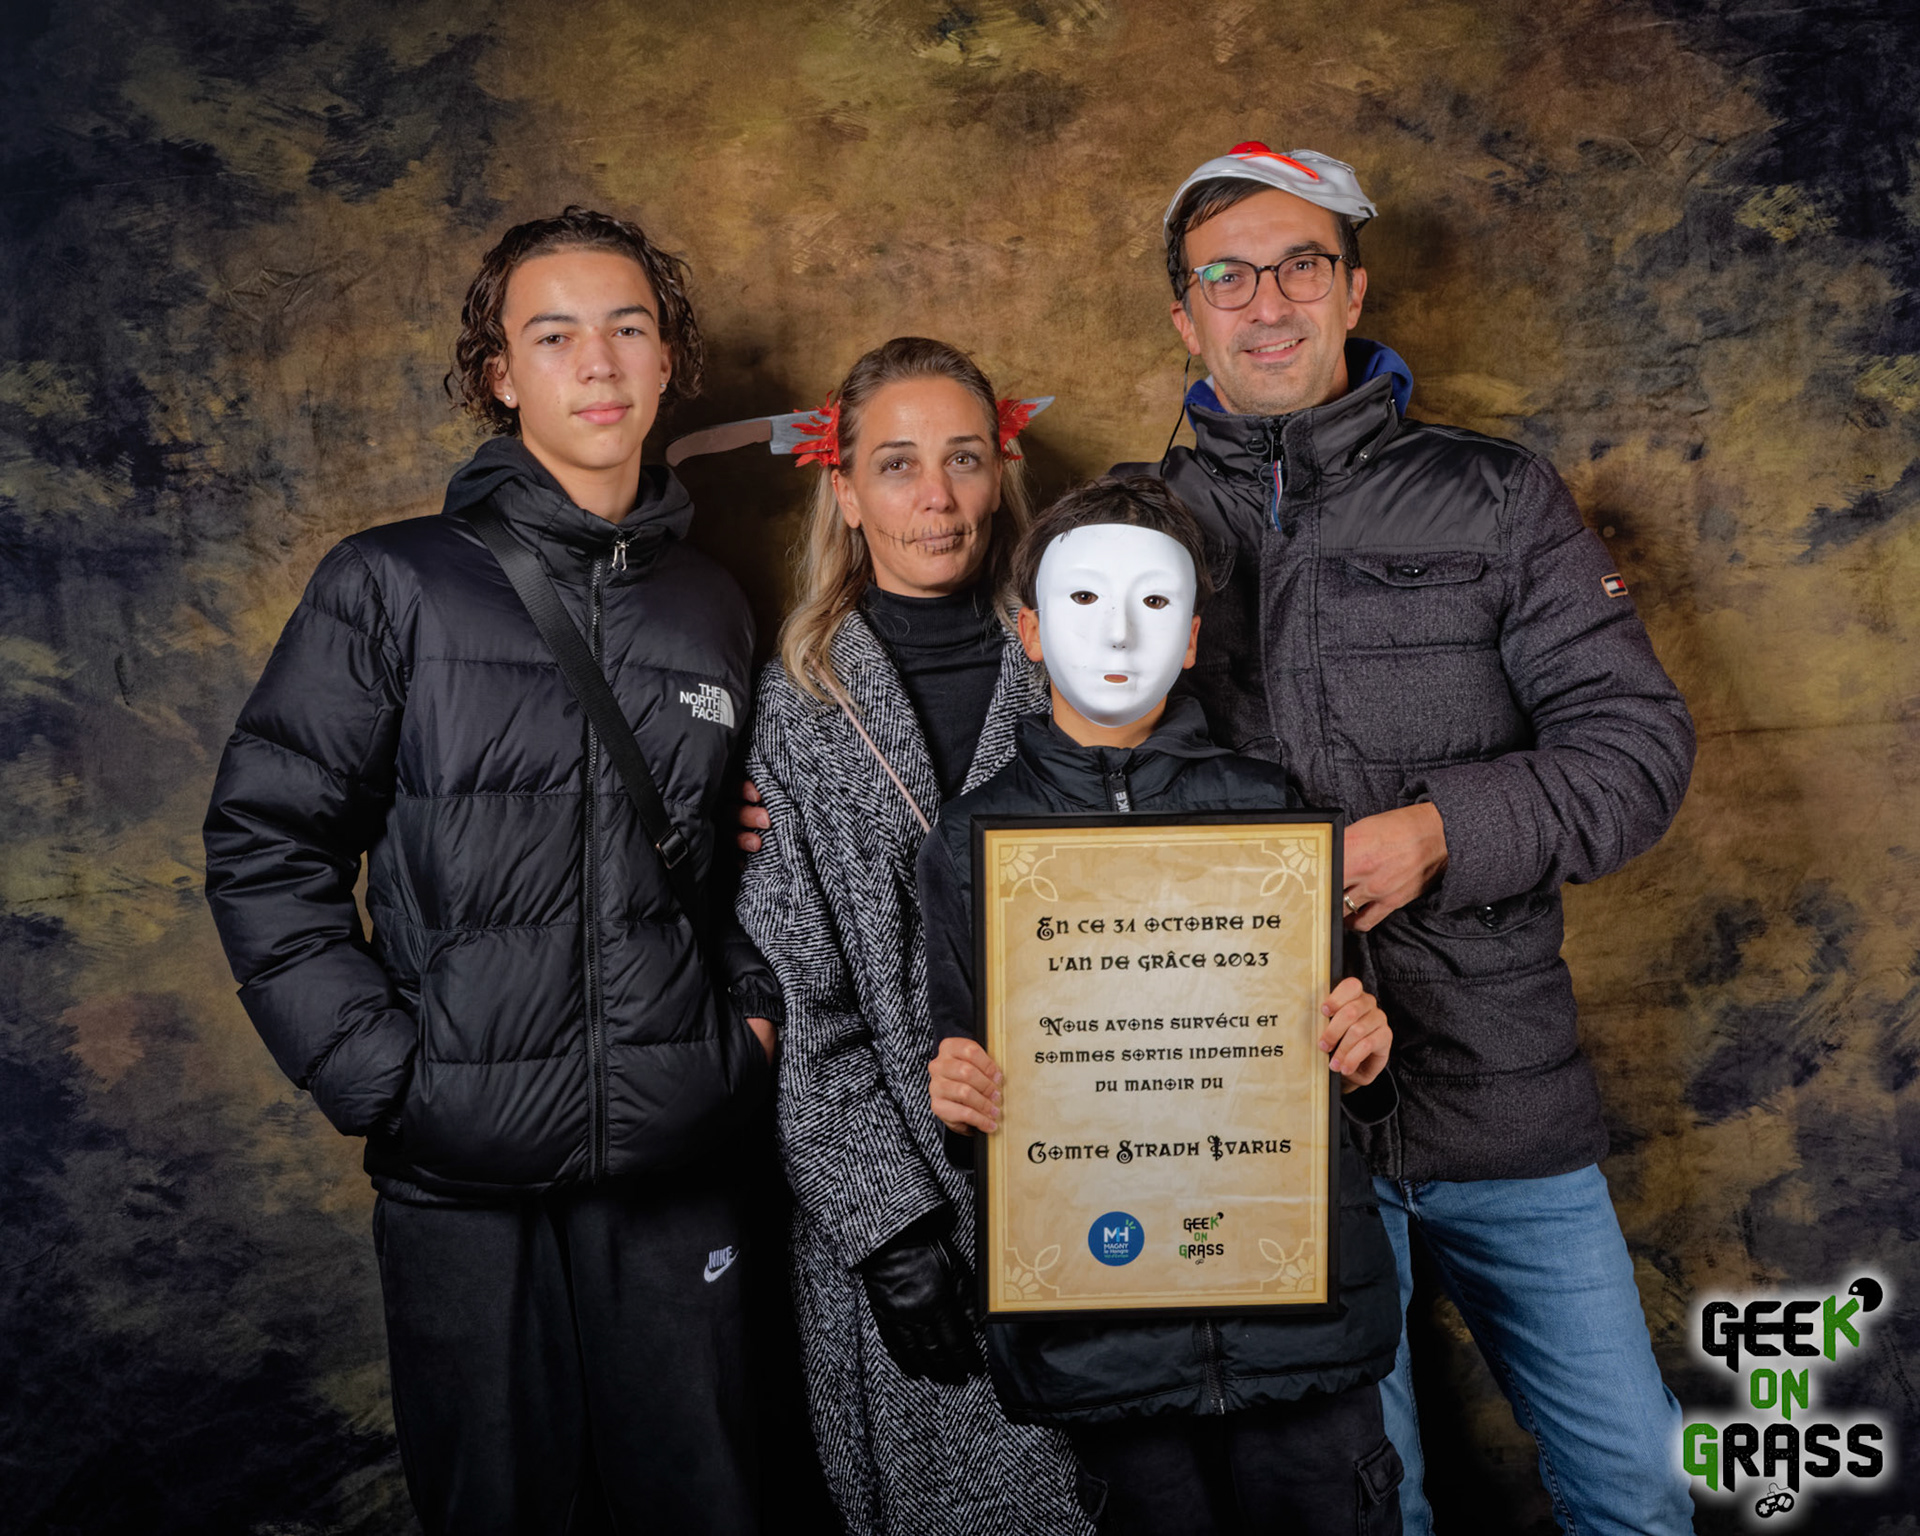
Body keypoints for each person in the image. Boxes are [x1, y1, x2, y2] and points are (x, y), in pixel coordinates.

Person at [1130, 143, 1699, 1534]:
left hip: (1505, 1092)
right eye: (1228, 277)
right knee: (1363, 1510)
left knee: (1636, 1486)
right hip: (1273, 1124)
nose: (1268, 302)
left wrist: (1439, 833)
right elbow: (1060, 789)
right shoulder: (1134, 529)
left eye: (1300, 266)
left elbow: (1635, 750)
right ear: (1186, 317)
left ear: (1353, 288)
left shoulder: (1497, 496)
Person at [202, 207, 781, 1535]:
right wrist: (387, 1083)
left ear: (669, 359)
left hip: (676, 1160)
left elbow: (745, 861)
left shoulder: (713, 604)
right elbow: (265, 846)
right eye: (554, 335)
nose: (599, 362)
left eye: (628, 327)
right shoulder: (390, 584)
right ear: (500, 374)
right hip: (463, 1182)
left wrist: (741, 1035)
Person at [919, 475, 1405, 1536]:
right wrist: (956, 1097)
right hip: (1104, 1341)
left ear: (1189, 640)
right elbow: (970, 1082)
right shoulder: (970, 843)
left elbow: (1350, 1058)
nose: (1121, 634)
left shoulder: (1274, 814)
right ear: (1030, 633)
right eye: (1086, 600)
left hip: (1301, 1331)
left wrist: (1366, 1059)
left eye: (1154, 603)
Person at [733, 337, 1088, 1534]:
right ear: (845, 490)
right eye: (897, 464)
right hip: (911, 1205)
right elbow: (804, 997)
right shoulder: (799, 705)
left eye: (964, 460)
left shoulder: (1077, 663)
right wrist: (887, 1225)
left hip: (1091, 1173)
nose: (937, 497)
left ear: (1003, 473)